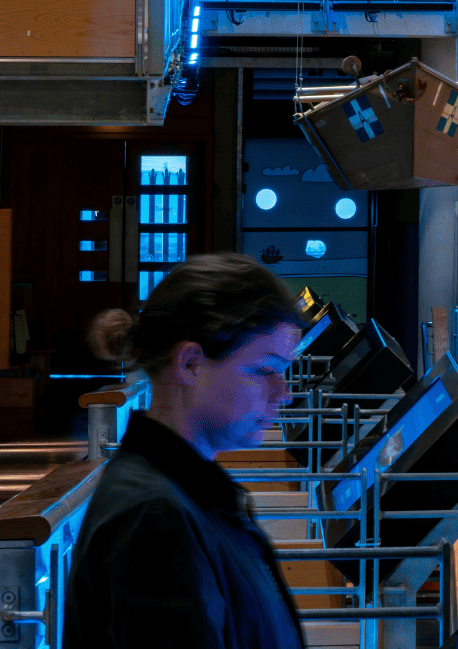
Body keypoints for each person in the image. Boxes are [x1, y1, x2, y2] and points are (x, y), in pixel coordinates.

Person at [64, 253, 307, 649]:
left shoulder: (184, 493)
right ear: (191, 363)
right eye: (264, 370)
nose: (284, 393)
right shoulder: (155, 517)